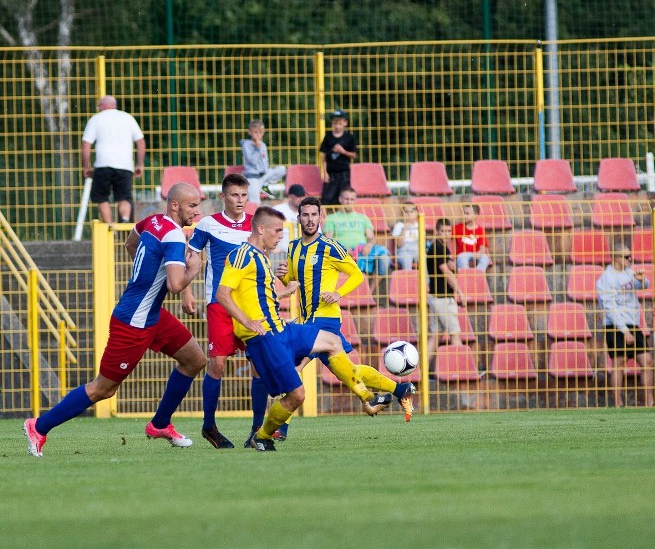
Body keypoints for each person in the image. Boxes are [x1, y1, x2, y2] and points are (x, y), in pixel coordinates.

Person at [23, 183, 206, 457]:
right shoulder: (175, 237)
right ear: (175, 205)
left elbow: (130, 242)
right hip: (133, 322)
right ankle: (39, 426)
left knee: (195, 360)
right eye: (192, 205)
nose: (197, 211)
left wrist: (145, 275)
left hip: (151, 314)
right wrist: (193, 269)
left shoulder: (152, 221)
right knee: (102, 389)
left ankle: (160, 424)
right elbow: (175, 284)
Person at [215, 206, 389, 451]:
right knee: (296, 396)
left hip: (282, 329)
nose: (280, 236)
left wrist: (285, 290)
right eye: (277, 231)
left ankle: (368, 397)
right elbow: (223, 294)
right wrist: (246, 321)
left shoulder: (262, 256)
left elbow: (261, 295)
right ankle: (262, 436)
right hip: (266, 337)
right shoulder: (242, 255)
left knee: (332, 341)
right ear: (261, 229)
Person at [278, 196, 415, 431]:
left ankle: (280, 428)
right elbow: (293, 281)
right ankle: (398, 389)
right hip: (308, 319)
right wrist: (283, 275)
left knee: (292, 367)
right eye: (305, 215)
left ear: (321, 217)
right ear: (298, 218)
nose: (310, 220)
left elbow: (357, 274)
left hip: (325, 320)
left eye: (314, 215)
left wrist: (338, 293)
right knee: (347, 370)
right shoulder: (293, 248)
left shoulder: (329, 246)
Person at [183, 173, 270, 449]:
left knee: (259, 365)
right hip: (219, 303)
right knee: (218, 364)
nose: (240, 200)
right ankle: (209, 426)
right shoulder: (208, 224)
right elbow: (191, 256)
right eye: (234, 195)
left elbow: (264, 260)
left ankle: (258, 430)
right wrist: (185, 290)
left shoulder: (257, 225)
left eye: (244, 195)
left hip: (250, 305)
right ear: (223, 196)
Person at [596, 244, 655, 408]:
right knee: (619, 362)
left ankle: (649, 402)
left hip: (632, 323)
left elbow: (644, 285)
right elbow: (609, 307)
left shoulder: (629, 272)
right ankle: (617, 403)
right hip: (615, 325)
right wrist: (624, 330)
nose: (630, 259)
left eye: (630, 256)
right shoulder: (606, 278)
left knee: (647, 360)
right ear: (616, 258)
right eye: (626, 256)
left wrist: (642, 280)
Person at [81, 95, 146, 224]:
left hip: (103, 165)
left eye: (99, 106)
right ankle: (125, 220)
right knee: (124, 197)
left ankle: (110, 226)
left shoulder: (96, 119)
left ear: (102, 106)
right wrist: (139, 164)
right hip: (125, 165)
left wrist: (86, 166)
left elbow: (86, 145)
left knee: (101, 197)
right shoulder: (128, 118)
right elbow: (141, 142)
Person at [425, 218, 467, 363]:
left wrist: (452, 264)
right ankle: (466, 368)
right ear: (437, 231)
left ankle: (420, 371)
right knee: (455, 334)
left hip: (436, 298)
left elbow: (449, 265)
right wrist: (460, 293)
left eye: (449, 231)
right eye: (443, 231)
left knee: (435, 337)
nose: (446, 234)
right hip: (442, 298)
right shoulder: (437, 247)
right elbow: (446, 272)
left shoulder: (442, 247)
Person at [324, 187, 390, 275]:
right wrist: (341, 248)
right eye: (346, 199)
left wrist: (369, 245)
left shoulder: (363, 218)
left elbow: (371, 237)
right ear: (340, 199)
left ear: (355, 201)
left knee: (384, 258)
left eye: (352, 199)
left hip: (362, 251)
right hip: (341, 252)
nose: (349, 202)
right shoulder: (331, 218)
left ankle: (371, 289)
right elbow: (329, 240)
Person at [241, 119, 287, 203]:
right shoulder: (247, 144)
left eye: (260, 132)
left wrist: (266, 171)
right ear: (250, 132)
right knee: (255, 202)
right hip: (253, 177)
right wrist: (256, 148)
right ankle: (260, 188)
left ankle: (264, 185)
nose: (257, 134)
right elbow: (252, 161)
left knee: (282, 169)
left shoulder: (262, 145)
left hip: (263, 175)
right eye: (255, 132)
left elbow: (265, 161)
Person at [319, 109, 356, 206]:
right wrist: (325, 172)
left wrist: (343, 151)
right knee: (327, 197)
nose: (337, 126)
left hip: (344, 173)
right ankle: (327, 218)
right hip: (331, 173)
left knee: (343, 196)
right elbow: (324, 156)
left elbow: (353, 155)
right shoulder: (328, 137)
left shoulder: (349, 137)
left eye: (340, 123)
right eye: (335, 123)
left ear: (345, 123)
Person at [453, 202, 491, 271]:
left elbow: (482, 248)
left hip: (475, 254)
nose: (464, 216)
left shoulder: (480, 230)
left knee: (485, 258)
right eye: (464, 213)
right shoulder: (458, 228)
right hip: (462, 254)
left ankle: (478, 275)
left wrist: (478, 254)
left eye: (467, 214)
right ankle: (466, 276)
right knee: (462, 257)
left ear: (475, 215)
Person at [392, 200, 420, 270]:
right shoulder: (399, 226)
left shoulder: (419, 226)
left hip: (417, 250)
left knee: (425, 258)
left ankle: (426, 281)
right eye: (406, 212)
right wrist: (404, 228)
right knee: (407, 260)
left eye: (411, 211)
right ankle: (408, 280)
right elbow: (399, 244)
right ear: (402, 214)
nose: (409, 214)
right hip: (404, 251)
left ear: (416, 213)